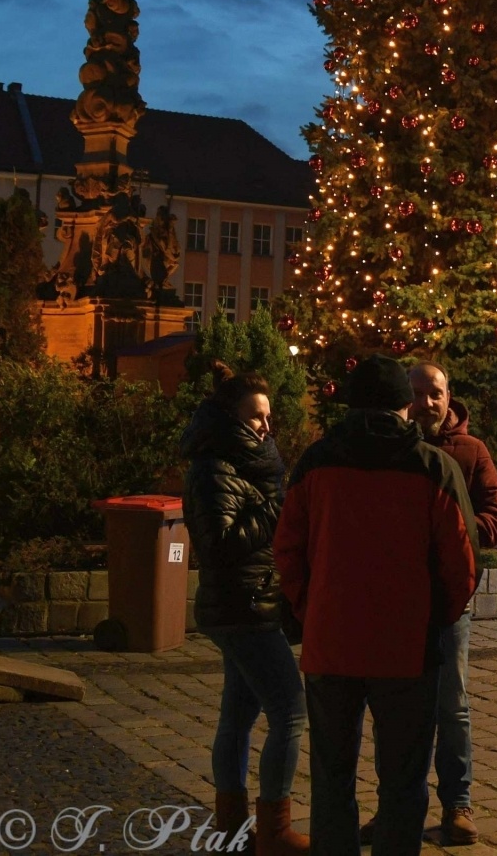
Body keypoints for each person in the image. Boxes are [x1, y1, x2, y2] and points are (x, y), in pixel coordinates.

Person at [274, 356, 477, 856]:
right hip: (405, 649)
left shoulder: (316, 463)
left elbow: (287, 549)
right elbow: (461, 565)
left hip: (331, 643)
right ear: (404, 404)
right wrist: (435, 618)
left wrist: (309, 608)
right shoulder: (434, 467)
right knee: (403, 779)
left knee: (332, 775)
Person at [355, 363, 497, 847]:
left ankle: (457, 804)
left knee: (451, 704)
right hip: (397, 598)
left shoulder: (471, 451)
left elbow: (496, 516)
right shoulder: (390, 451)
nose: (426, 403)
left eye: (435, 393)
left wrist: (453, 536)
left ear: (449, 396)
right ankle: (394, 806)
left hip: (448, 598)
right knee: (393, 707)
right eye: (417, 394)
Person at [181, 365, 308, 856]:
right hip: (243, 606)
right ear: (231, 417)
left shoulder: (246, 463)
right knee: (290, 712)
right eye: (257, 418)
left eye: (268, 418)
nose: (266, 428)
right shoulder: (213, 467)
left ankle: (229, 827)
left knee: (238, 713)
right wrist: (275, 508)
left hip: (249, 603)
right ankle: (274, 830)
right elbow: (218, 544)